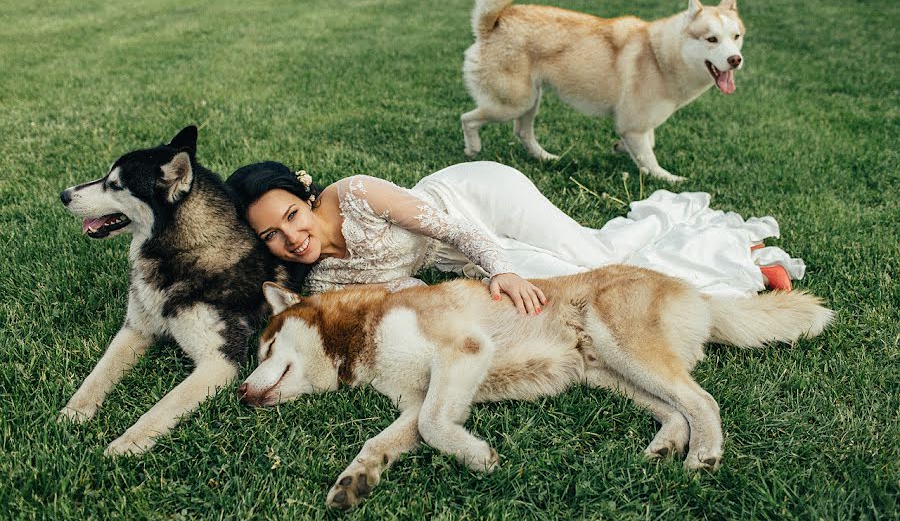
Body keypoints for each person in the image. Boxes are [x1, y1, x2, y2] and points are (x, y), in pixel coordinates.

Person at [225, 161, 805, 314]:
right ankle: (723, 269)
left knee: (592, 252)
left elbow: (451, 225)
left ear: (305, 196)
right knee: (568, 280)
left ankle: (736, 255)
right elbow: (404, 284)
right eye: (272, 236)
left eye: (293, 216)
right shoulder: (320, 276)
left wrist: (498, 267)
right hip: (454, 260)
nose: (291, 237)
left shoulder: (354, 193)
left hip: (475, 198)